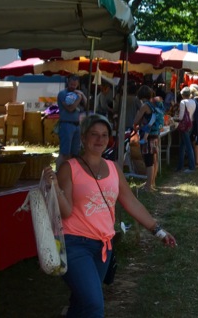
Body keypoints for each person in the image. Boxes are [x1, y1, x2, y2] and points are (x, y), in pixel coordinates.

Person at [47, 114, 176, 317]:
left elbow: (131, 202)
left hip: (103, 246)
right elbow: (66, 211)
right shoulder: (69, 168)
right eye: (94, 134)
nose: (99, 139)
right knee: (94, 305)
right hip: (74, 244)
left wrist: (158, 231)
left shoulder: (114, 168)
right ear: (83, 138)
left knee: (82, 304)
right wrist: (55, 188)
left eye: (104, 135)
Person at [132, 86, 164, 192]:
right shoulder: (155, 103)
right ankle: (152, 183)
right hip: (155, 135)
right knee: (154, 159)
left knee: (148, 161)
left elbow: (136, 120)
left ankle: (148, 187)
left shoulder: (145, 106)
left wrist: (137, 122)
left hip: (147, 136)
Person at [57, 76, 87, 168]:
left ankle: (71, 170)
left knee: (75, 152)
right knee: (65, 152)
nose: (73, 87)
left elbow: (86, 105)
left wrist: (82, 95)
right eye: (71, 84)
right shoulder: (63, 94)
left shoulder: (78, 93)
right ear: (68, 83)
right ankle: (59, 170)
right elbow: (70, 108)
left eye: (75, 85)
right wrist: (79, 98)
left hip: (76, 125)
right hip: (66, 124)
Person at [175, 86, 196, 174]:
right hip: (191, 124)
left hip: (184, 125)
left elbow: (181, 117)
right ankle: (180, 166)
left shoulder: (183, 102)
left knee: (187, 146)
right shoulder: (193, 101)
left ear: (183, 95)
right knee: (183, 145)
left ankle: (192, 166)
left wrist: (175, 119)